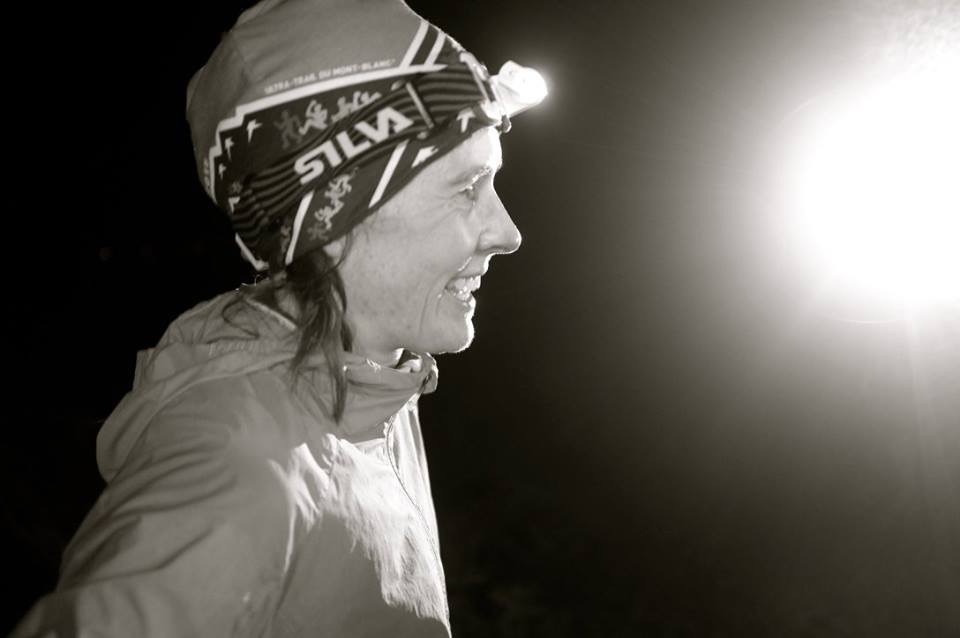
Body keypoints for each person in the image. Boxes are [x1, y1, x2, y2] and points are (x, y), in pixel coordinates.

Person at [13, 0, 546, 635]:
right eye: (467, 187)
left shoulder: (373, 385)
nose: (508, 232)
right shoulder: (238, 467)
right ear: (331, 225)